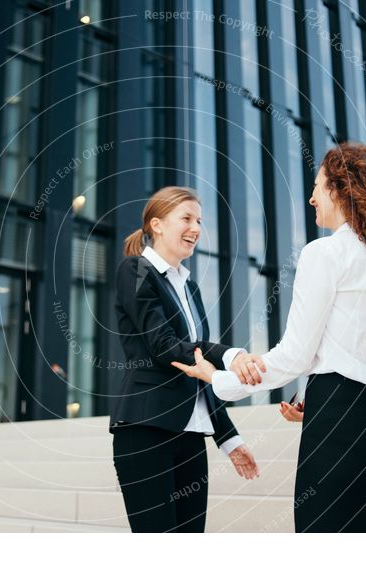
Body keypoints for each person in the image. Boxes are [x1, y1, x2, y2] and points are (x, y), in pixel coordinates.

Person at [173, 143, 366, 533]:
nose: (311, 197)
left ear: (342, 189)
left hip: (340, 437)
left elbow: (294, 355)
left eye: (318, 187)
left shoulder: (325, 253)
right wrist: (320, 400)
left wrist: (216, 379)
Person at [109, 186, 265, 533]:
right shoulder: (135, 270)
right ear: (158, 224)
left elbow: (198, 372)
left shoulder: (189, 286)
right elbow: (164, 345)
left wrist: (229, 439)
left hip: (192, 437)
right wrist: (230, 354)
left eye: (199, 220)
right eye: (187, 218)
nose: (196, 228)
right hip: (146, 428)